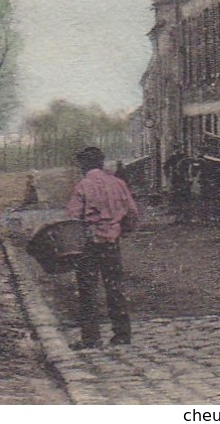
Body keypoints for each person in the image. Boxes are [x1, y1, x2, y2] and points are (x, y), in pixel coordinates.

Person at [66, 145, 139, 349]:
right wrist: (121, 230)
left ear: (84, 165)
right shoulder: (118, 183)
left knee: (87, 289)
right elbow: (132, 212)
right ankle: (122, 334)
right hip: (111, 241)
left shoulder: (83, 185)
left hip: (88, 243)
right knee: (115, 287)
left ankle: (91, 338)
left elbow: (73, 217)